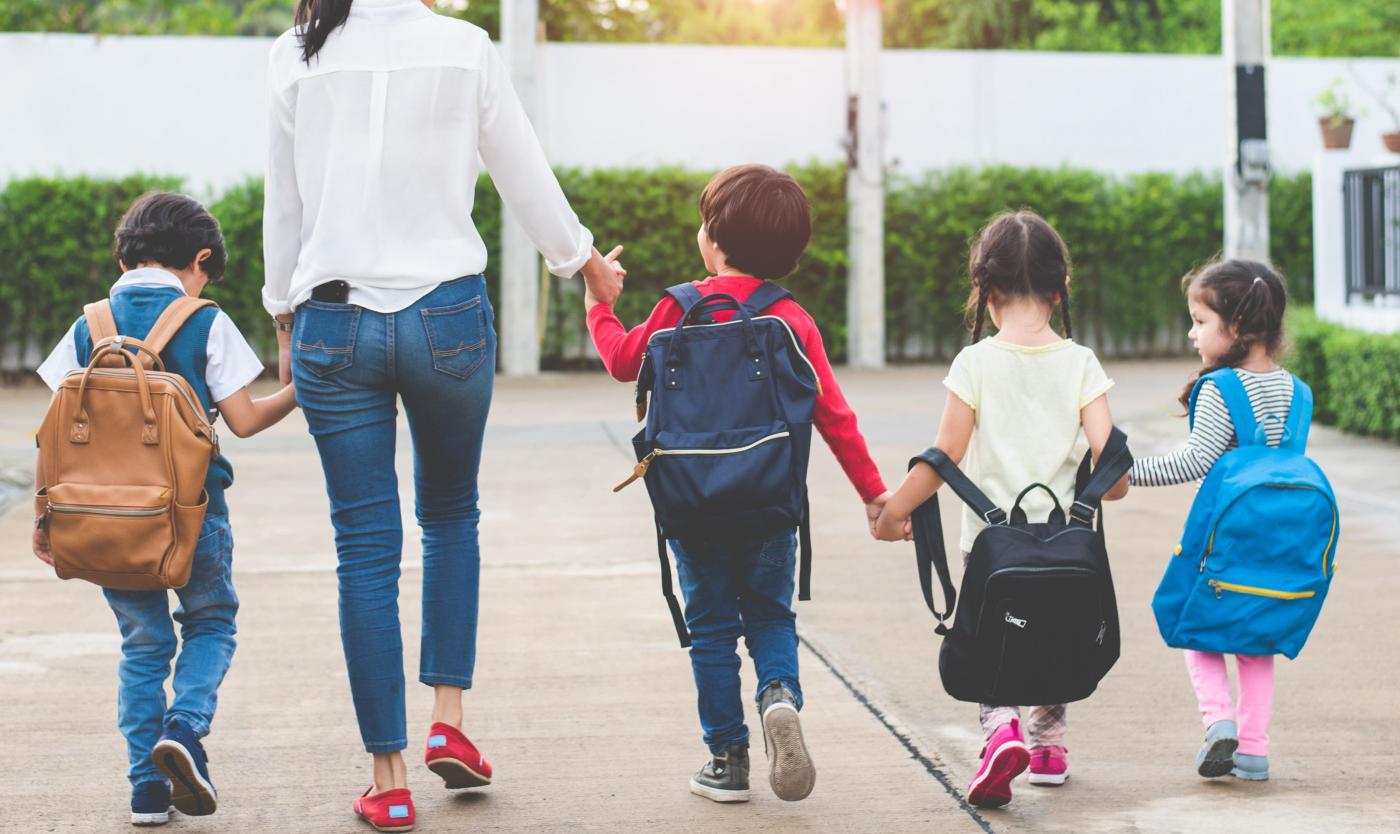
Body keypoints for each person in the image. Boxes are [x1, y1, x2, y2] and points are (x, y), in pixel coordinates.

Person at [260, 2, 625, 829]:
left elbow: (283, 205)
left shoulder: (295, 53)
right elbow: (524, 172)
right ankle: (448, 722)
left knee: (364, 548)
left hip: (333, 320)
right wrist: (585, 265)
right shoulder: (466, 49)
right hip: (447, 320)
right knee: (452, 517)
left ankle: (387, 783)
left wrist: (283, 314)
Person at [585, 164, 890, 804]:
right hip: (771, 504)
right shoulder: (791, 319)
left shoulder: (677, 308)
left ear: (714, 241)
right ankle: (778, 696)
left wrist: (599, 305)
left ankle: (727, 761)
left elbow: (621, 362)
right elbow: (834, 415)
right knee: (773, 617)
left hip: (691, 507)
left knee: (714, 630)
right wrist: (873, 493)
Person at [32, 191, 298, 826]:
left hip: (101, 521)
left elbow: (54, 430)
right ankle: (186, 727)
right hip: (190, 513)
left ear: (126, 255)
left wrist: (46, 518)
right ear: (199, 258)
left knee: (143, 647)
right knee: (211, 622)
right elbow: (246, 420)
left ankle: (146, 794)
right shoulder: (204, 319)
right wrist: (300, 391)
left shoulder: (86, 324)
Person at [875, 209, 1128, 808]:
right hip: (1068, 541)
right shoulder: (1082, 363)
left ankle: (1001, 732)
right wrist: (1097, 491)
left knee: (995, 637)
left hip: (990, 545)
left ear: (986, 292)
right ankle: (1048, 749)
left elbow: (945, 457)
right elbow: (1113, 472)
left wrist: (892, 512)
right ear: (1060, 288)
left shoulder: (976, 363)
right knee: (1056, 630)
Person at [1126, 259, 1294, 783]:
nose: (1191, 332)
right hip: (1277, 542)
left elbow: (1193, 462)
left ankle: (1219, 721)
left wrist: (1124, 474)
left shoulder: (1222, 389)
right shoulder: (1298, 391)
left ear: (1238, 327)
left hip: (1221, 539)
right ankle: (1255, 752)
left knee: (1192, 627)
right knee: (1256, 641)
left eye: (1200, 321)